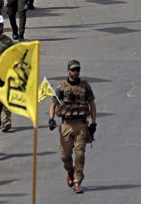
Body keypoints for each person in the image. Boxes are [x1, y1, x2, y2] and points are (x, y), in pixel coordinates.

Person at [48, 60, 97, 194]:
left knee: (80, 153)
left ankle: (77, 181)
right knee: (65, 156)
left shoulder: (85, 86)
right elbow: (53, 104)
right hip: (66, 125)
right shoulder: (62, 87)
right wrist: (51, 119)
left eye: (78, 70)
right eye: (73, 70)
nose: (75, 72)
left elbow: (92, 104)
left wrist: (93, 122)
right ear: (68, 70)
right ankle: (70, 170)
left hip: (81, 124)